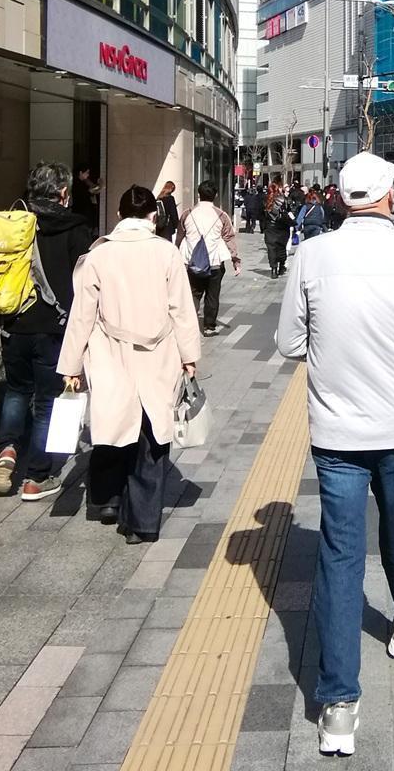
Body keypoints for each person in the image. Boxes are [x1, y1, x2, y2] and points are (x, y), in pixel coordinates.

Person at [276, 152, 394, 758]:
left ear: (343, 198)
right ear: (390, 196)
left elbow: (288, 343)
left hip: (337, 433)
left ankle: (338, 708)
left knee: (339, 555)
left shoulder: (312, 255)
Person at [57, 185, 200, 541]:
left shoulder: (99, 256)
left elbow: (82, 315)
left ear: (119, 216)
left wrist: (70, 365)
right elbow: (182, 309)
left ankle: (108, 498)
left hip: (109, 350)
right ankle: (143, 522)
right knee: (152, 436)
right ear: (154, 216)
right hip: (158, 351)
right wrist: (190, 357)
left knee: (113, 426)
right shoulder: (166, 253)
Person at [0, 163, 93, 501]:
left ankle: (7, 451)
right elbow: (85, 283)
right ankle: (36, 478)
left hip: (14, 321)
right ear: (63, 192)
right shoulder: (75, 226)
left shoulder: (14, 221)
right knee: (47, 402)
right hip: (55, 327)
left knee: (16, 391)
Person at [176, 181, 241, 335]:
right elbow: (229, 238)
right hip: (215, 262)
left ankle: (189, 324)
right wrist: (236, 261)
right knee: (212, 295)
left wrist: (176, 254)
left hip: (191, 262)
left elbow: (180, 236)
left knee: (193, 293)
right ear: (216, 195)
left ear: (198, 194)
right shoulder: (221, 215)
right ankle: (209, 327)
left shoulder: (187, 213)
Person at [261, 182, 292, 278]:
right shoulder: (284, 199)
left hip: (270, 227)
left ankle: (273, 269)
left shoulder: (265, 200)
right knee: (281, 247)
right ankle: (282, 266)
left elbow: (261, 215)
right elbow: (289, 211)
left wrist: (263, 227)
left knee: (271, 249)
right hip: (282, 226)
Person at [71, 165, 101, 234]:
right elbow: (88, 192)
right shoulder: (77, 183)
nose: (88, 175)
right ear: (81, 173)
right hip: (81, 212)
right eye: (87, 173)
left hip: (83, 212)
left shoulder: (83, 182)